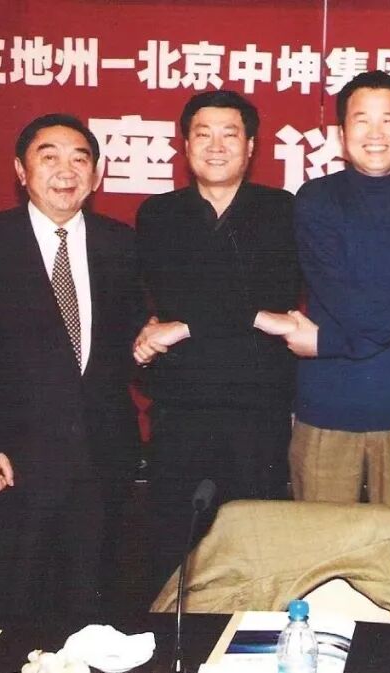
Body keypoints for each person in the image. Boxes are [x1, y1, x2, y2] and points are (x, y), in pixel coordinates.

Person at [0, 113, 142, 619]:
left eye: (80, 159)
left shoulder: (122, 244)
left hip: (102, 462)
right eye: (48, 157)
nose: (65, 171)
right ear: (21, 170)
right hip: (13, 463)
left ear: (97, 174)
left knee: (95, 612)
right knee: (12, 609)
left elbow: (132, 344)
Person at [264, 70, 390, 534]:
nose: (376, 133)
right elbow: (340, 293)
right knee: (318, 550)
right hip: (327, 407)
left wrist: (327, 342)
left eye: (388, 120)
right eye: (361, 120)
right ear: (341, 133)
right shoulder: (316, 200)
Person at [132, 90, 300, 589]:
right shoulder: (158, 214)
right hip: (181, 410)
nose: (216, 145)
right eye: (202, 134)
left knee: (258, 550)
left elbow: (273, 297)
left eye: (230, 133)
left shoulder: (283, 211)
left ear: (251, 146)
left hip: (258, 411)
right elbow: (179, 295)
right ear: (185, 146)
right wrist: (248, 315)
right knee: (174, 551)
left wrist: (185, 325)